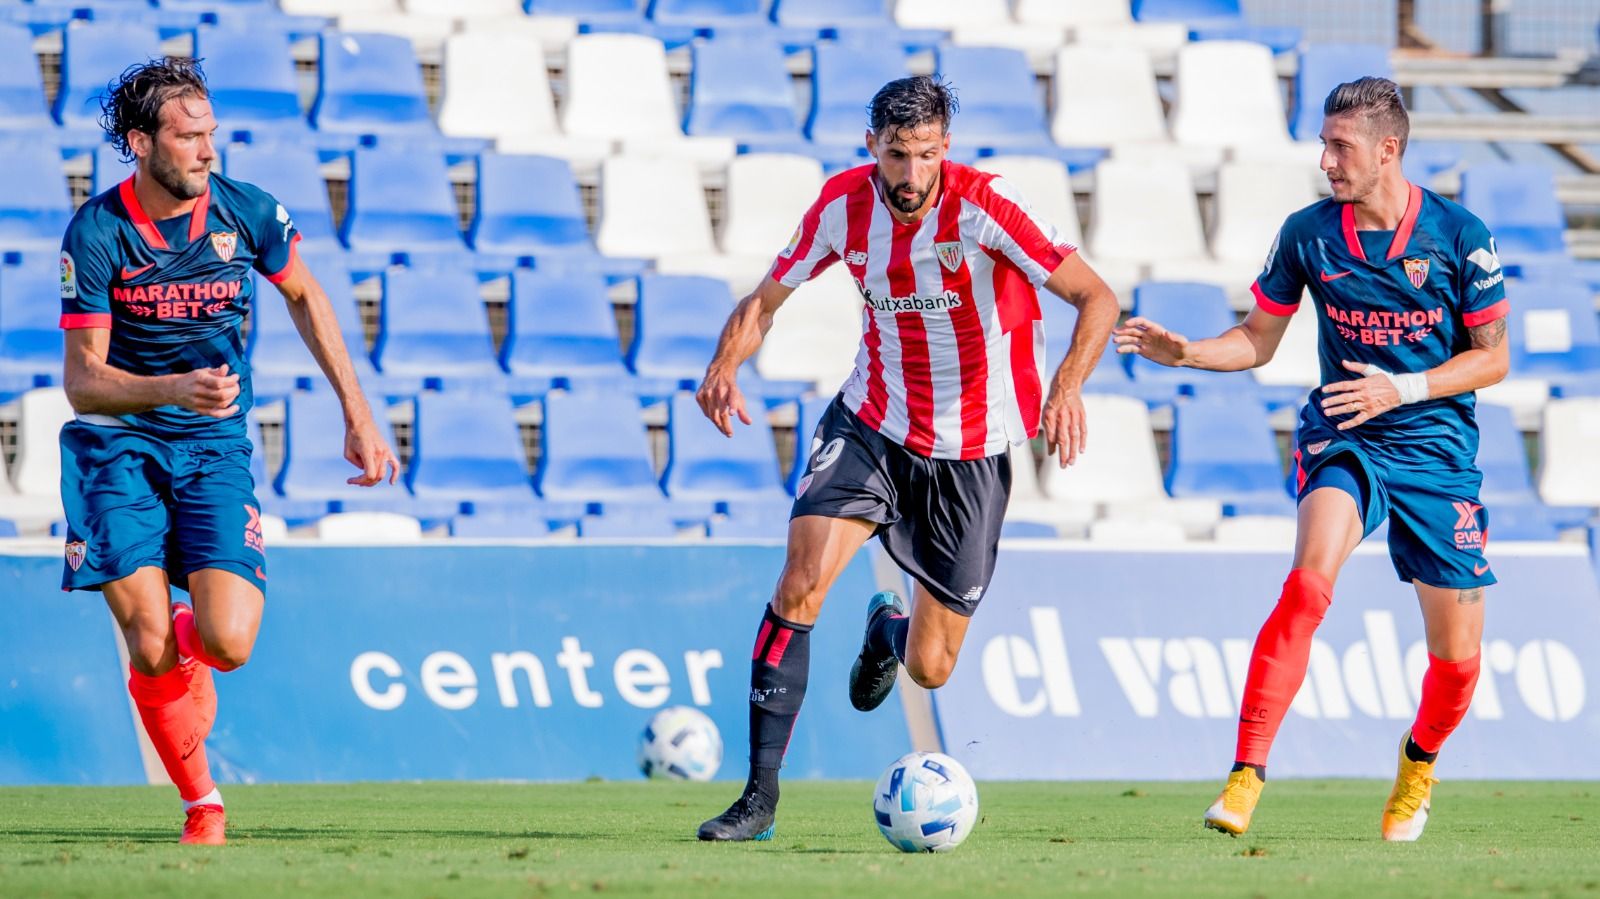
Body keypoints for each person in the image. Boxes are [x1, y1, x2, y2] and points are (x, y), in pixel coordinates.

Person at [693, 75, 1120, 841]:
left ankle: (886, 631)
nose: (912, 175)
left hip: (972, 452)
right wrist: (725, 363)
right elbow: (765, 298)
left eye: (926, 154)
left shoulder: (987, 205)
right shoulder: (841, 206)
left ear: (945, 149)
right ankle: (758, 799)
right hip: (873, 424)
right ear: (872, 149)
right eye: (897, 155)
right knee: (798, 582)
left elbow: (1097, 297)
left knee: (930, 665)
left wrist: (1068, 385)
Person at [1114, 77, 1509, 842]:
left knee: (1458, 663)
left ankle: (1419, 760)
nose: (1326, 161)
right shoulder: (1308, 233)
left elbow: (1492, 360)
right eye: (1324, 144)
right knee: (1306, 583)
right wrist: (1191, 351)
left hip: (1437, 454)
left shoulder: (1462, 235)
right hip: (1345, 433)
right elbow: (1258, 339)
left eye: (1341, 146)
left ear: (1387, 149)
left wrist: (1406, 386)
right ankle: (1245, 775)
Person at [57, 57, 398, 845]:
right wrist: (173, 387)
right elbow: (83, 382)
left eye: (213, 134)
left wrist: (358, 413)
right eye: (189, 136)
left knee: (229, 644)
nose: (209, 151)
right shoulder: (98, 231)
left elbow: (308, 295)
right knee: (144, 641)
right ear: (141, 143)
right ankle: (202, 801)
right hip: (119, 448)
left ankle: (189, 631)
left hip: (213, 447)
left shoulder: (248, 212)